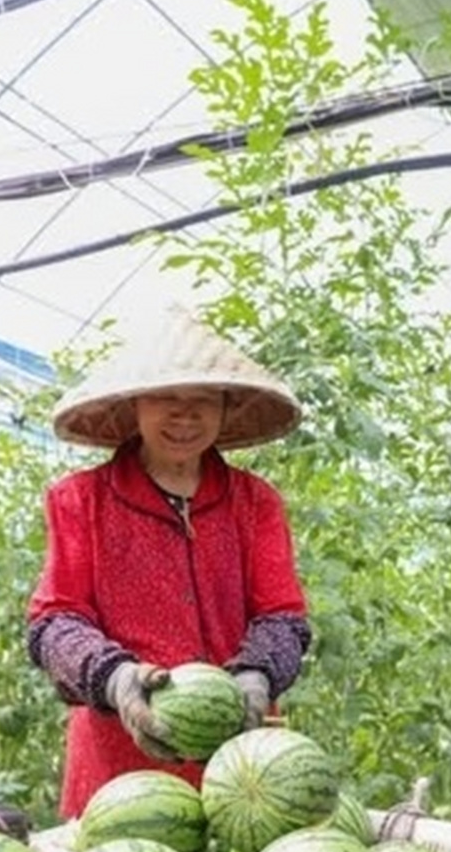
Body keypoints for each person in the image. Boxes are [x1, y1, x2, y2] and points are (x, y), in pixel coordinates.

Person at [26, 307, 311, 819]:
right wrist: (114, 679)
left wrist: (256, 676)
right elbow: (55, 621)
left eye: (203, 401)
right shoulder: (79, 501)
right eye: (167, 400)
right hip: (119, 774)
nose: (186, 416)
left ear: (225, 409)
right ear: (135, 405)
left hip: (244, 772)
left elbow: (283, 617)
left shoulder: (255, 502)